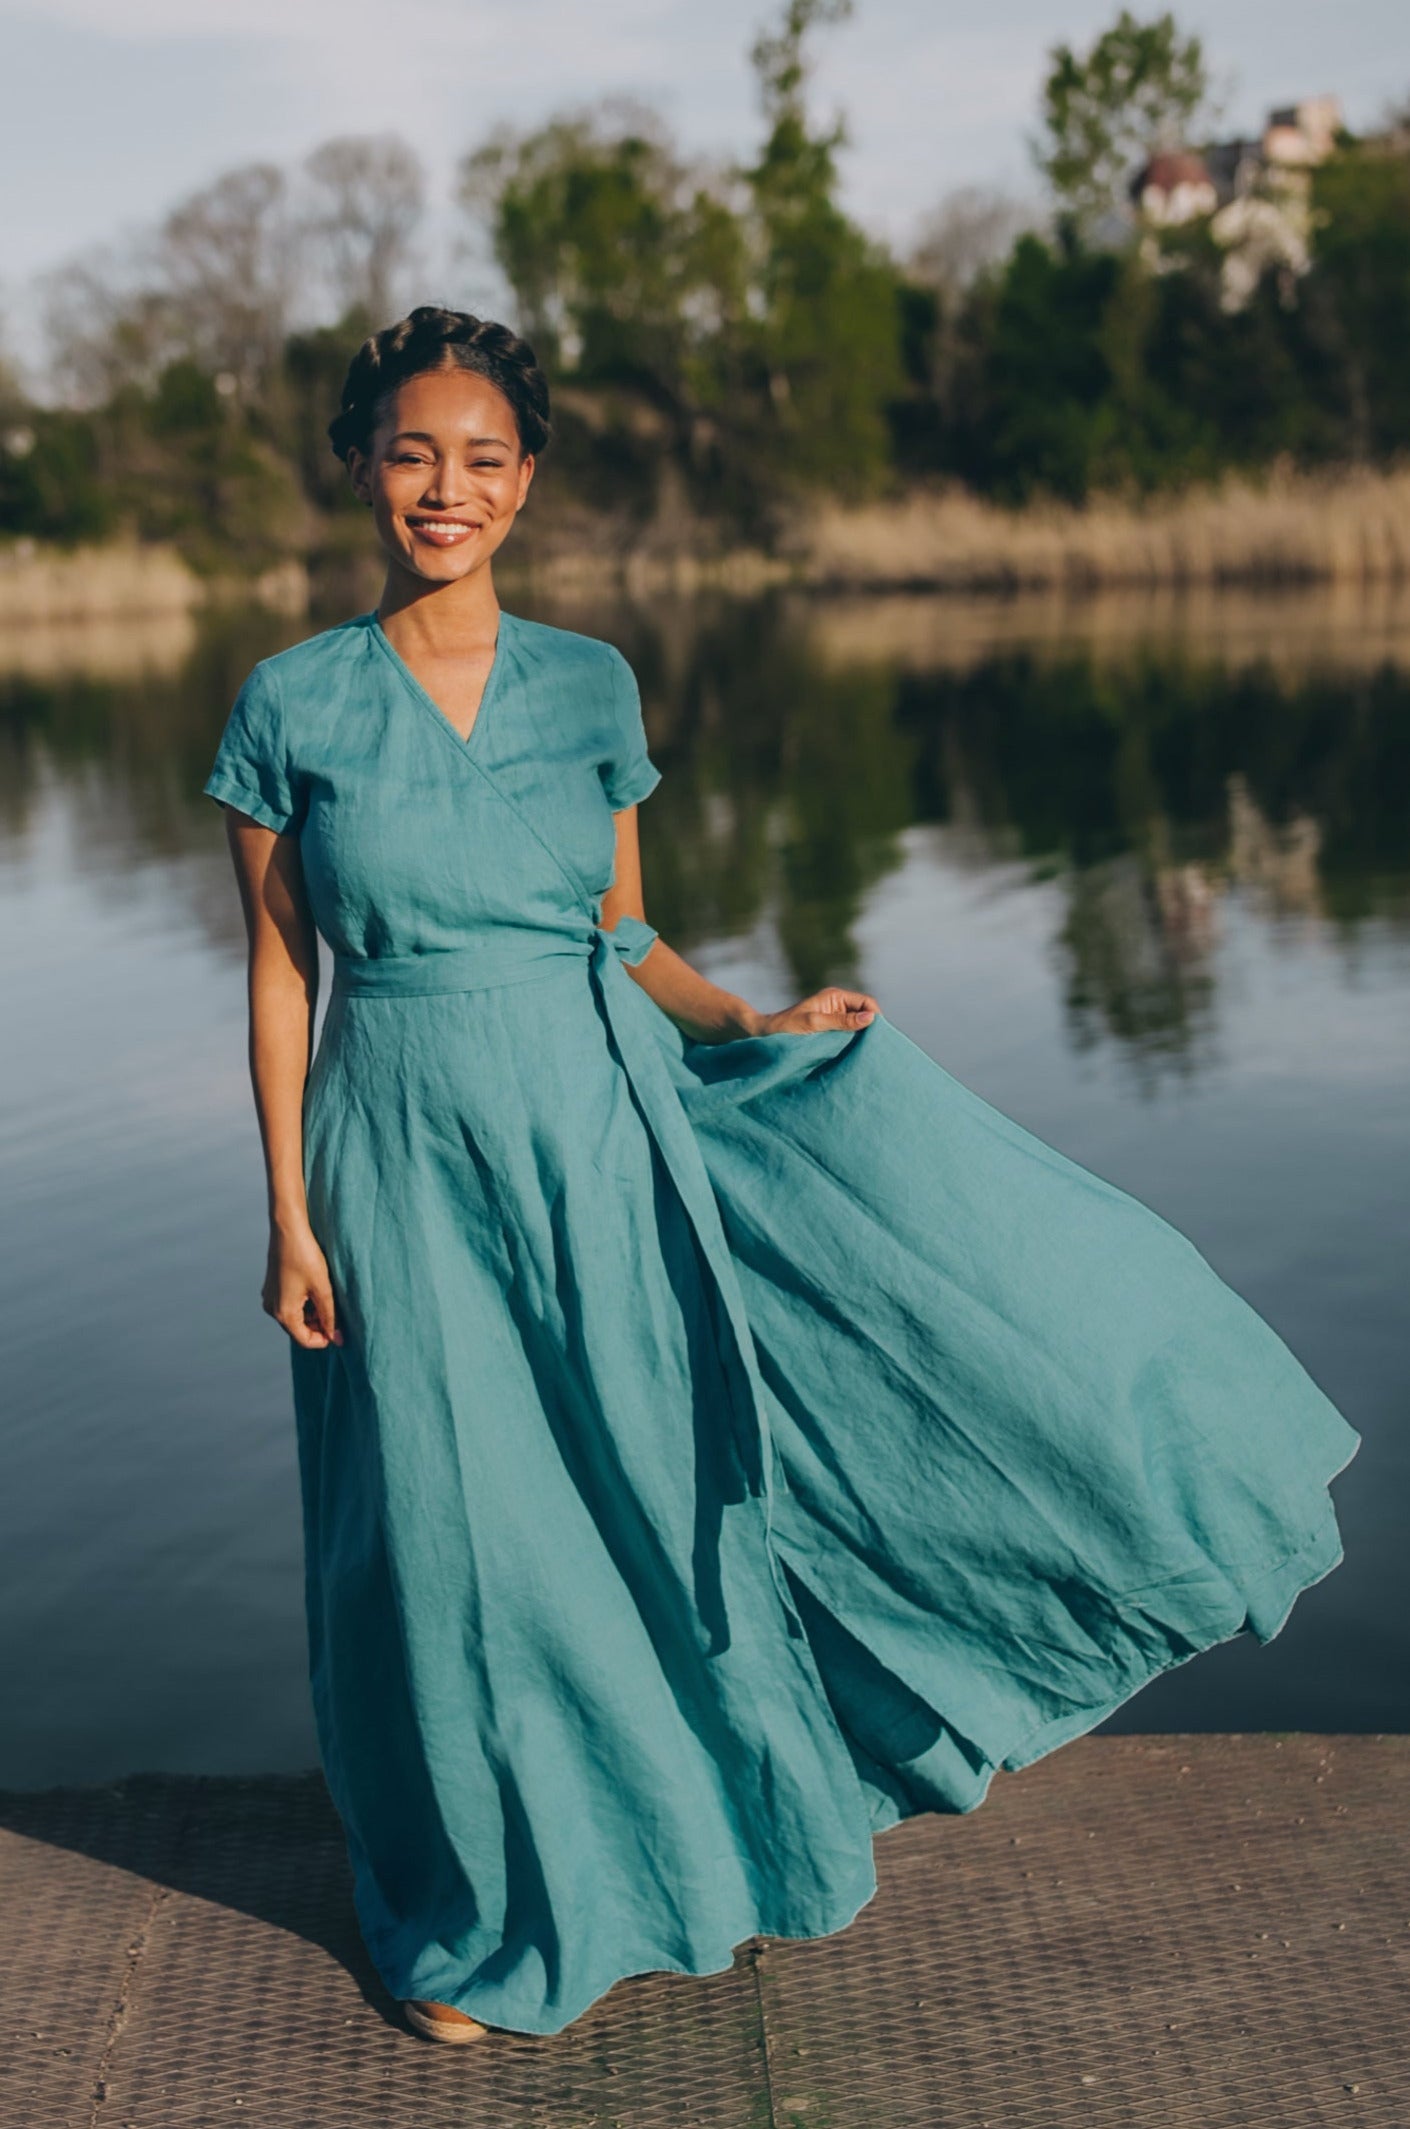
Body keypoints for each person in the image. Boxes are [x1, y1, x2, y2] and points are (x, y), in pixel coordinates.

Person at [203, 305, 1358, 2045]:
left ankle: (694, 1834)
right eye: (416, 452)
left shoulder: (589, 684)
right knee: (452, 1539)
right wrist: (288, 1207)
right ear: (362, 461)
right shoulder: (289, 702)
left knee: (649, 1496)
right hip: (402, 1147)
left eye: (486, 457)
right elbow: (285, 970)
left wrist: (746, 1012)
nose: (449, 488)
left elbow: (625, 927)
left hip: (599, 1127)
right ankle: (485, 1911)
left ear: (530, 480)